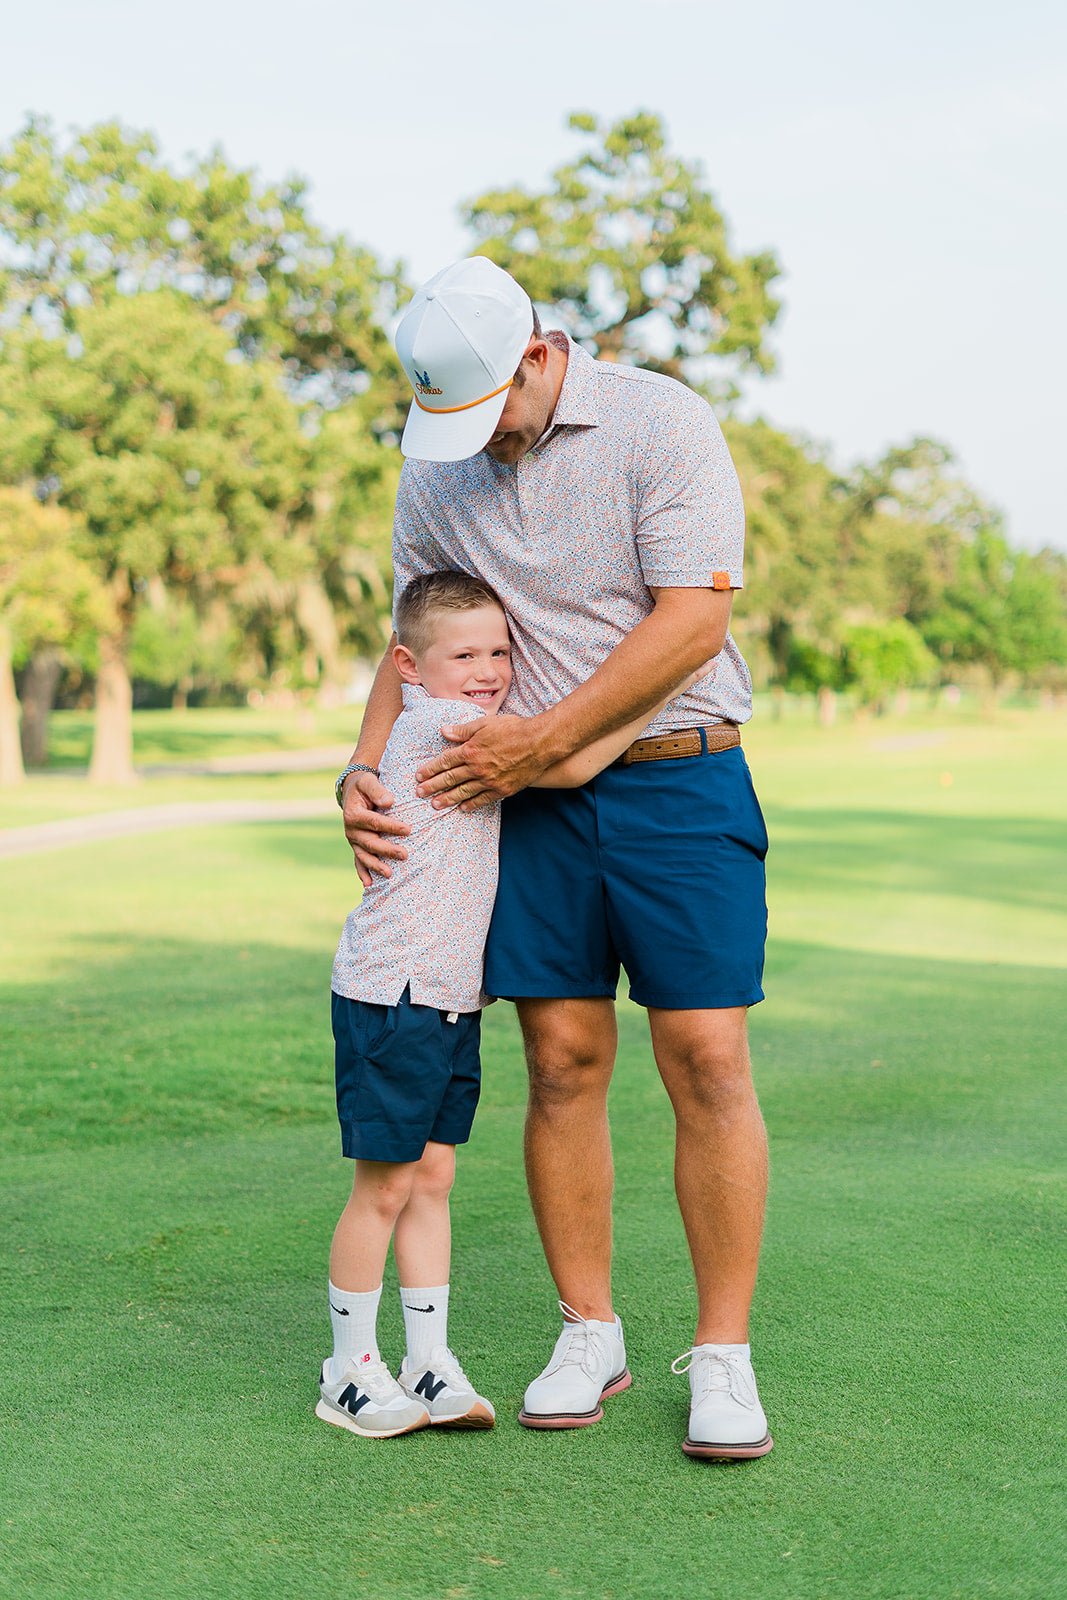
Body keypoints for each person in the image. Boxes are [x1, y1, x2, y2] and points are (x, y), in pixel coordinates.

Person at [338, 256, 773, 1460]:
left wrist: (550, 739)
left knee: (706, 1055)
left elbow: (693, 621)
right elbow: (410, 644)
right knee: (561, 1057)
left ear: (539, 355)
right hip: (520, 798)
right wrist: (360, 769)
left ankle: (722, 1355)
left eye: (490, 409)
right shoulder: (438, 466)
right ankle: (590, 1331)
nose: (474, 440)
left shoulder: (660, 422)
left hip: (679, 776)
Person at [321, 568, 685, 1440]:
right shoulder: (441, 724)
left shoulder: (456, 710)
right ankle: (348, 1370)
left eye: (497, 651)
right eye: (462, 655)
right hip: (395, 990)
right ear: (408, 666)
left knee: (433, 1177)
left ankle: (427, 1360)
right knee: (385, 1186)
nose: (486, 670)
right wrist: (664, 688)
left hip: (447, 997)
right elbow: (567, 761)